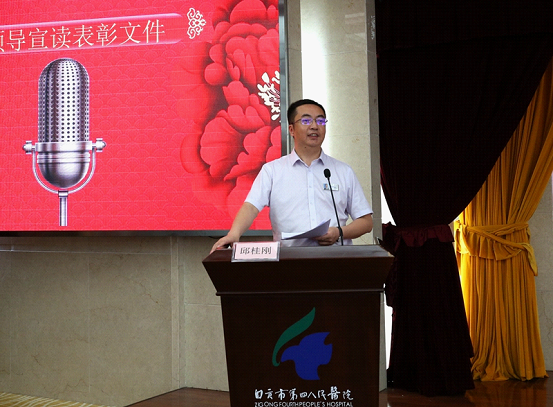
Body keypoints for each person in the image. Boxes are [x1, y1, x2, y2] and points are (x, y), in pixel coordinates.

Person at [211, 99, 373, 253]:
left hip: (335, 259)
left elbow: (366, 222)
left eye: (320, 121)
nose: (315, 126)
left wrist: (339, 232)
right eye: (306, 121)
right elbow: (251, 207)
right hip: (288, 260)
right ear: (291, 130)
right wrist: (234, 234)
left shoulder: (343, 171)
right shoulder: (272, 171)